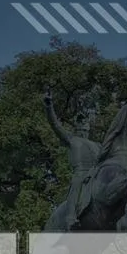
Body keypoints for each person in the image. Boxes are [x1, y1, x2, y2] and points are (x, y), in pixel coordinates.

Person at [43, 91, 101, 228]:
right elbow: (55, 125)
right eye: (81, 124)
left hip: (96, 175)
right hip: (81, 173)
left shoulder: (98, 145)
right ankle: (71, 217)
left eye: (85, 125)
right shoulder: (71, 139)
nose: (84, 127)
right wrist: (49, 107)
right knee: (77, 182)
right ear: (77, 126)